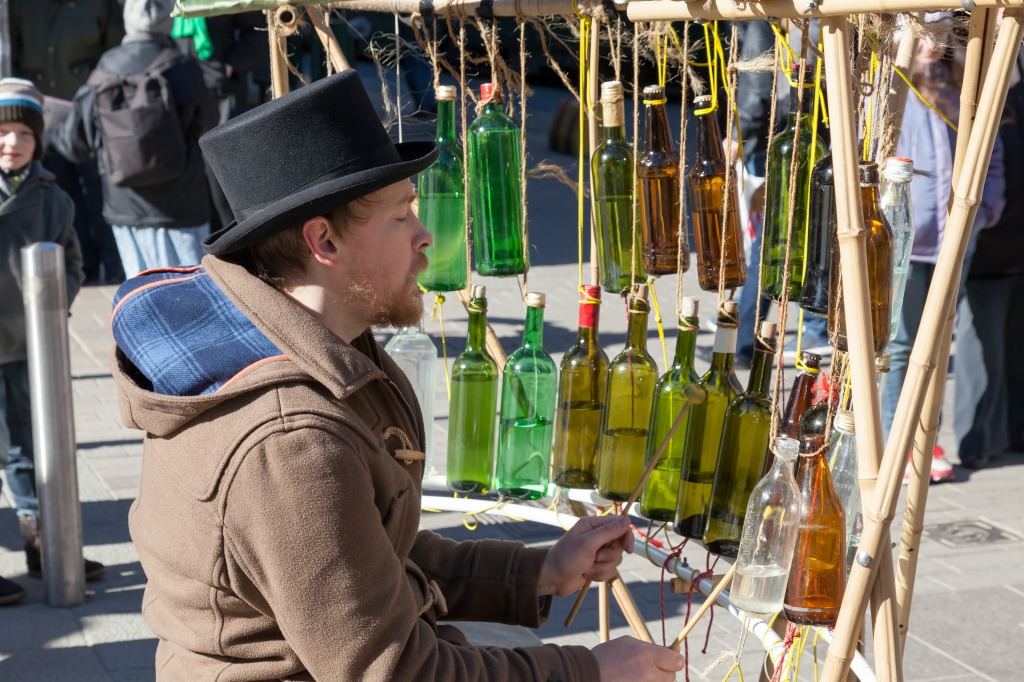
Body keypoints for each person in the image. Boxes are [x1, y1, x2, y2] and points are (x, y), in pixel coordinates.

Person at [111, 70, 684, 679]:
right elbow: (397, 672)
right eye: (401, 216)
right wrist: (587, 672)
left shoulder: (324, 352)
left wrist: (537, 572)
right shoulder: (289, 443)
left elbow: (374, 548)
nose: (425, 236)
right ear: (323, 240)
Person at [882, 16, 1006, 483]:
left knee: (934, 346)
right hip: (906, 246)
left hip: (957, 243)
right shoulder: (891, 94)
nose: (934, 43)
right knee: (900, 345)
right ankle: (898, 439)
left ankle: (923, 437)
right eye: (924, 33)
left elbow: (988, 154)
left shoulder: (961, 91)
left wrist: (984, 210)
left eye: (941, 33)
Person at [0, 78, 101, 606]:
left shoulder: (52, 199)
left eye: (22, 133)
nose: (11, 142)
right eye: (1, 132)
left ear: (37, 140)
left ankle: (44, 544)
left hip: (27, 347)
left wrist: (52, 306)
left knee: (34, 448)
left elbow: (74, 262)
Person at [48, 0, 217, 278]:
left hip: (124, 207)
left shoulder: (104, 69)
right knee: (195, 293)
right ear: (169, 20)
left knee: (143, 296)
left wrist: (47, 128)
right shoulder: (183, 67)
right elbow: (208, 128)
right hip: (182, 206)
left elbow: (75, 143)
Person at [9, 0, 125, 285]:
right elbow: (16, 48)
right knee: (62, 187)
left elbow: (113, 53)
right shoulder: (21, 6)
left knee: (100, 188)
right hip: (45, 116)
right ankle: (83, 262)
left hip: (89, 113)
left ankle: (114, 262)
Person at [952, 47, 1024, 469]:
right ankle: (976, 441)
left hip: (1010, 246)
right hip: (989, 251)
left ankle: (1011, 432)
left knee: (1010, 352)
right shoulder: (979, 90)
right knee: (985, 354)